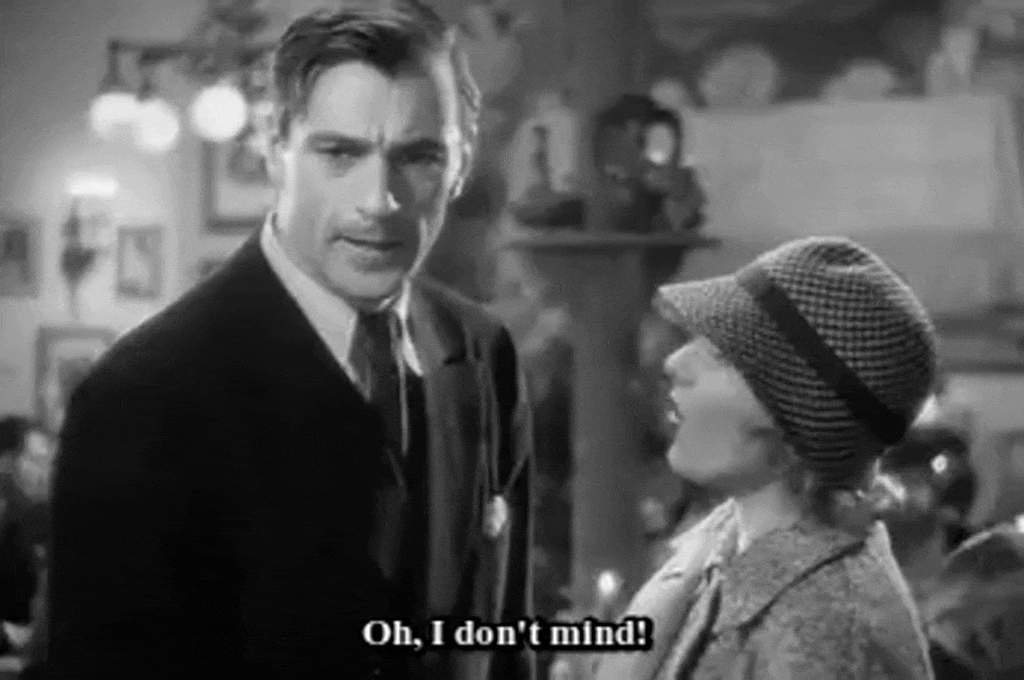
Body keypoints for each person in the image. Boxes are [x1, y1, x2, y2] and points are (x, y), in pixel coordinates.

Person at [46, 4, 534, 679]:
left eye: (418, 156)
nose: (380, 201)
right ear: (276, 147)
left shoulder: (483, 353)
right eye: (340, 153)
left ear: (460, 164)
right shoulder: (142, 397)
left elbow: (505, 645)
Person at [595, 236, 937, 679]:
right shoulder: (719, 554)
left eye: (722, 355)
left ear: (797, 417)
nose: (675, 362)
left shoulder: (825, 631)